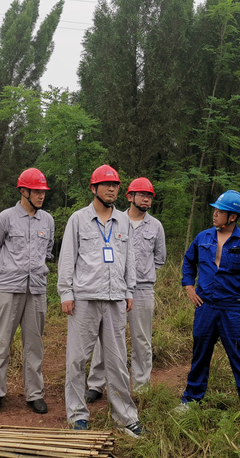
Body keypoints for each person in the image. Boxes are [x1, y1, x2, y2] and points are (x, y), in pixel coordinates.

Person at [174, 190, 240, 434]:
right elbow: (189, 261)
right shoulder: (203, 237)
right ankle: (191, 400)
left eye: (220, 211)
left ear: (232, 217)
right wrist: (189, 287)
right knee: (200, 355)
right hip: (205, 307)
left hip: (233, 308)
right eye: (215, 210)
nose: (214, 214)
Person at [57, 165, 145, 437]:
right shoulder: (78, 219)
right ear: (93, 188)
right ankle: (77, 415)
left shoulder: (123, 222)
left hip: (115, 299)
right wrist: (66, 293)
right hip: (84, 299)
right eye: (106, 184)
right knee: (77, 360)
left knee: (117, 361)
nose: (111, 189)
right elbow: (67, 258)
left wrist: (129, 290)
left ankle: (125, 417)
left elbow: (129, 258)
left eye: (115, 185)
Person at [85, 177, 167, 402]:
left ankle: (141, 386)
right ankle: (96, 384)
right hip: (115, 287)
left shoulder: (156, 226)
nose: (146, 199)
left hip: (142, 289)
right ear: (130, 196)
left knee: (141, 338)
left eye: (149, 196)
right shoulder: (116, 220)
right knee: (106, 337)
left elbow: (159, 258)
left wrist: (141, 273)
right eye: (142, 195)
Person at [0, 168, 55, 417]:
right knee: (1, 342)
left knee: (34, 344)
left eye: (43, 191)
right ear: (23, 191)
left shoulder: (48, 220)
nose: (41, 195)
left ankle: (35, 394)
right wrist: (8, 270)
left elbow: (48, 252)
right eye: (36, 191)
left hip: (37, 289)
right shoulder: (6, 217)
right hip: (8, 289)